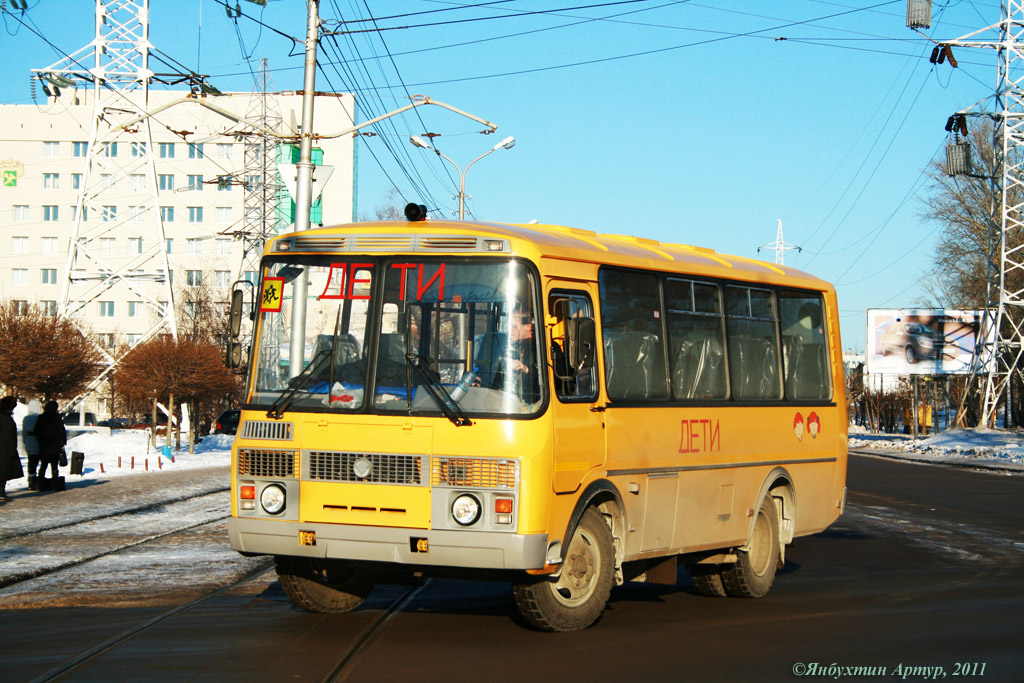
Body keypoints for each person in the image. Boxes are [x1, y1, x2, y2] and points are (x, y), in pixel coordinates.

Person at [34, 400, 67, 484]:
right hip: (55, 445)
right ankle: (55, 483)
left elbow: (37, 431)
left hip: (44, 445)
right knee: (54, 465)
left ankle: (40, 483)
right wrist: (62, 442)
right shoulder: (57, 417)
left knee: (43, 465)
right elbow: (61, 431)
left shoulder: (41, 417)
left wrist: (40, 441)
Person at [0, 395, 23, 502]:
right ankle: (1, 492)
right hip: (4, 449)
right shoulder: (5, 418)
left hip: (3, 447)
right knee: (3, 471)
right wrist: (12, 449)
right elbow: (8, 435)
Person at [21, 399, 42, 490]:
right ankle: (40, 481)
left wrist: (25, 442)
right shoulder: (40, 417)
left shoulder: (26, 418)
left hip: (29, 441)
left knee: (31, 462)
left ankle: (31, 479)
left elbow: (24, 433)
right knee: (41, 462)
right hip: (39, 441)